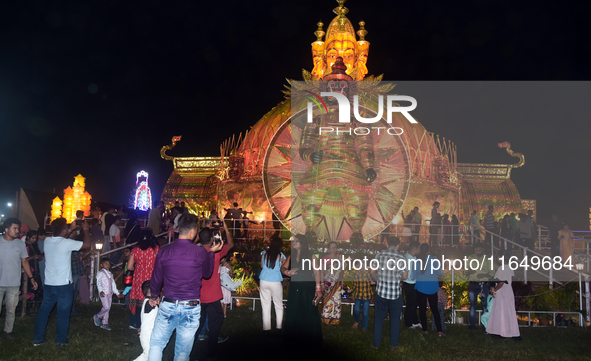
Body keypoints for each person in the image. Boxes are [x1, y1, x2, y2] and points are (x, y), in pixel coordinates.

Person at [148, 213, 222, 360]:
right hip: (191, 307)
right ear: (193, 231)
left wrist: (153, 296)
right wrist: (211, 253)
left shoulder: (165, 250)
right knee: (182, 352)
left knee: (157, 344)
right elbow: (207, 274)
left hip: (168, 304)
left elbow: (156, 277)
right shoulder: (200, 252)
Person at [34, 217, 91, 346]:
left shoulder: (47, 241)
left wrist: (69, 229)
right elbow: (87, 245)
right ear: (64, 230)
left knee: (44, 311)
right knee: (63, 313)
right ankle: (60, 340)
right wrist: (86, 229)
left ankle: (38, 339)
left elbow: (60, 236)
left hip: (49, 283)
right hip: (64, 284)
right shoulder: (67, 243)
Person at [191, 220, 234, 360]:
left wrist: (203, 230)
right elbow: (231, 244)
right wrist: (226, 228)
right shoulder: (216, 254)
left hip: (198, 295)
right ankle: (211, 351)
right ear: (212, 239)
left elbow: (190, 244)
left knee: (198, 323)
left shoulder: (195, 252)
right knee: (216, 322)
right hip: (213, 296)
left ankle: (189, 350)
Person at [282, 234, 323, 350]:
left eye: (296, 241)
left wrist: (318, 289)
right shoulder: (291, 255)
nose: (293, 243)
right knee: (294, 310)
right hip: (295, 288)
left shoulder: (311, 256)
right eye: (294, 241)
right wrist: (287, 273)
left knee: (307, 311)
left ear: (302, 243)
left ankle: (308, 339)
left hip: (307, 288)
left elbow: (317, 272)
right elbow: (282, 268)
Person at [1, 218, 38, 339]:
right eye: (14, 228)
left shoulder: (20, 244)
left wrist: (31, 278)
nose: (17, 231)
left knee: (11, 308)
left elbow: (25, 262)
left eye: (18, 229)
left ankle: (8, 330)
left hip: (14, 282)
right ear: (6, 230)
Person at [370, 236, 408, 350]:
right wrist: (398, 277)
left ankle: (376, 344)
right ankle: (394, 344)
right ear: (398, 245)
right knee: (395, 320)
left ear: (387, 244)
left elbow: (372, 271)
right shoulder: (402, 258)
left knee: (379, 319)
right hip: (395, 294)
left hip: (381, 292)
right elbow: (405, 276)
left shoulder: (379, 255)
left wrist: (377, 280)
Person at [128, 230, 160, 330]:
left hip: (139, 278)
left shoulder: (135, 250)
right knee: (152, 300)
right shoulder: (156, 249)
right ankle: (151, 326)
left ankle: (137, 326)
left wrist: (137, 269)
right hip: (152, 278)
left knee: (138, 303)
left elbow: (129, 267)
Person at [486, 250, 520, 339]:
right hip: (508, 292)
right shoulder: (508, 267)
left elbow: (501, 282)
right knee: (508, 312)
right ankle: (508, 331)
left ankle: (500, 332)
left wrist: (495, 291)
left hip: (503, 293)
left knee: (501, 311)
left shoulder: (503, 268)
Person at [414, 243, 444, 336]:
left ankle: (425, 329)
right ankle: (439, 330)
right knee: (434, 309)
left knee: (422, 309)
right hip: (432, 287)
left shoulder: (417, 260)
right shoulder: (434, 259)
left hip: (420, 286)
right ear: (428, 250)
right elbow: (440, 272)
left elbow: (413, 275)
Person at [259, 236, 287, 333]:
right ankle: (278, 328)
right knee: (278, 305)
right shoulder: (281, 256)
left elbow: (262, 266)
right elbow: (282, 267)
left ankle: (266, 328)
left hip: (264, 280)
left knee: (265, 305)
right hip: (275, 281)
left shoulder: (264, 254)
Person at [466, 242, 494, 330]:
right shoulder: (470, 258)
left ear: (482, 249)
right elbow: (465, 270)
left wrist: (483, 275)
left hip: (484, 285)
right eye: (476, 250)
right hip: (473, 284)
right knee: (472, 304)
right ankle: (472, 325)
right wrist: (469, 271)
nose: (477, 251)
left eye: (479, 250)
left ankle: (485, 325)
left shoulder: (488, 259)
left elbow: (492, 273)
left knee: (484, 304)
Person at [93, 257, 124, 330]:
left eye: (109, 264)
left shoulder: (110, 274)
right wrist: (100, 291)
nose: (108, 265)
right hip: (103, 293)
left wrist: (117, 293)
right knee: (106, 307)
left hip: (109, 293)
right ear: (102, 265)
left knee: (108, 308)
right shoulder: (100, 273)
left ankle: (105, 323)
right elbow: (99, 282)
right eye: (105, 264)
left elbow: (113, 284)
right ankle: (98, 316)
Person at [320, 241, 344, 325]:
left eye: (335, 247)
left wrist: (342, 282)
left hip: (337, 284)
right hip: (327, 284)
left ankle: (335, 319)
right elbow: (321, 271)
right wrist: (322, 283)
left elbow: (342, 272)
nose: (333, 249)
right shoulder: (325, 258)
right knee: (328, 301)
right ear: (328, 249)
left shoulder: (340, 259)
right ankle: (326, 318)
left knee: (337, 301)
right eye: (331, 247)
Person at [133, 281, 158, 361]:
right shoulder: (149, 303)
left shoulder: (148, 302)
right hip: (147, 335)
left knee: (151, 354)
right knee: (147, 354)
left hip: (149, 334)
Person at [350, 256, 375, 331]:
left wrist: (373, 281)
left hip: (367, 296)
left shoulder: (369, 273)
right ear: (357, 265)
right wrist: (351, 290)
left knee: (365, 312)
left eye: (363, 263)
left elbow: (374, 279)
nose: (362, 265)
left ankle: (364, 327)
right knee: (356, 310)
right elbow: (354, 284)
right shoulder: (356, 274)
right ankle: (357, 320)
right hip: (358, 295)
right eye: (360, 263)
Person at [402, 241, 421, 329]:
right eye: (419, 248)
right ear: (415, 249)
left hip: (412, 283)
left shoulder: (412, 258)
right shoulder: (407, 259)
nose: (419, 250)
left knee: (413, 303)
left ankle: (414, 321)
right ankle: (408, 322)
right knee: (410, 304)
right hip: (409, 284)